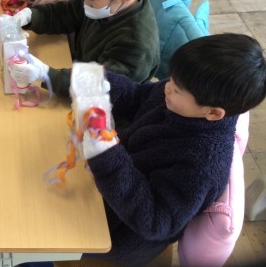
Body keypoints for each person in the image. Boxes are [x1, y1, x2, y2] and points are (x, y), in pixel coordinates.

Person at [78, 33, 266, 265]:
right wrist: (98, 81)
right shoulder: (182, 96)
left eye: (176, 89)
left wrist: (106, 154)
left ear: (213, 112)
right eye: (172, 79)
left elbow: (154, 221)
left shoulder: (201, 165)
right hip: (106, 182)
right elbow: (137, 96)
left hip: (115, 231)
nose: (166, 87)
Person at [8, 0, 159, 98]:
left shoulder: (136, 47)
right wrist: (32, 16)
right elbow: (66, 12)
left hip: (105, 104)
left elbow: (99, 87)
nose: (85, 2)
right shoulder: (108, 2)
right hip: (79, 66)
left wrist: (46, 74)